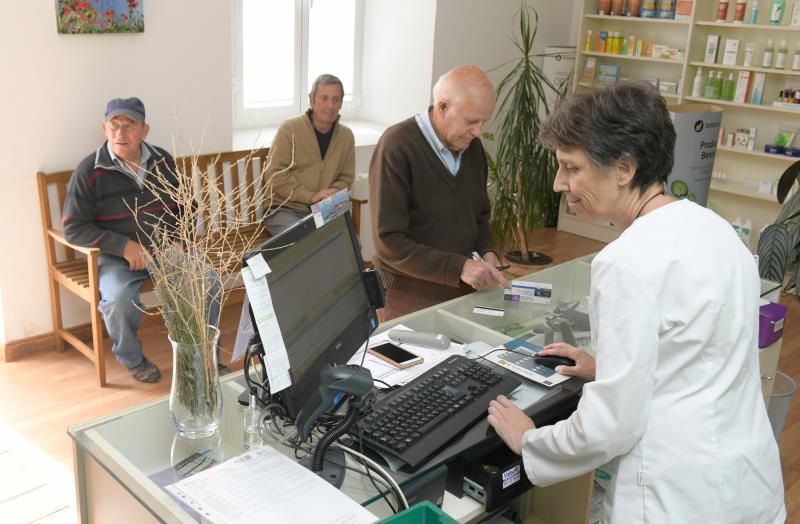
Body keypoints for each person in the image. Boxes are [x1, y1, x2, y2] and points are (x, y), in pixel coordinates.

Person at [486, 82, 785, 523]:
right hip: (745, 481)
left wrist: (532, 441)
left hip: (675, 496)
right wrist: (608, 367)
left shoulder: (626, 262)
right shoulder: (716, 230)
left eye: (571, 167)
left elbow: (610, 426)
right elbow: (698, 352)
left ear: (624, 168)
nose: (558, 183)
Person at [63, 97, 220, 383]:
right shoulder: (89, 170)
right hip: (119, 258)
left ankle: (202, 355)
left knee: (208, 282)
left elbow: (186, 206)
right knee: (119, 300)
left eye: (130, 125)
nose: (121, 133)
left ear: (144, 130)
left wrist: (177, 238)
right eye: (115, 126)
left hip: (165, 248)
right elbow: (73, 228)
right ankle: (133, 359)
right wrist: (122, 246)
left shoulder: (162, 161)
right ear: (104, 128)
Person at [369, 65, 507, 322]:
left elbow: (480, 218)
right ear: (443, 107)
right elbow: (389, 242)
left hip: (462, 291)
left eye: (483, 121)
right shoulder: (397, 146)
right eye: (471, 121)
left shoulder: (473, 149)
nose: (478, 131)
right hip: (408, 295)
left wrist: (488, 251)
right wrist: (459, 267)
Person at [264, 74, 355, 235]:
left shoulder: (346, 136)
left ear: (341, 103)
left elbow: (346, 178)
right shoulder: (289, 129)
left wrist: (333, 192)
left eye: (336, 99)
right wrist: (311, 196)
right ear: (311, 99)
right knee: (306, 241)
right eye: (323, 98)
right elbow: (274, 175)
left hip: (325, 210)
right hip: (286, 209)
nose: (330, 105)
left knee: (351, 243)